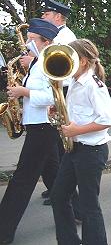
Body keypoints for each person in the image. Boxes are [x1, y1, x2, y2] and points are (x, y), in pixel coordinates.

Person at [50, 39, 111, 245]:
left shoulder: (94, 85)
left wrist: (76, 130)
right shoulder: (75, 83)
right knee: (58, 196)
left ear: (84, 61)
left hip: (91, 151)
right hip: (76, 150)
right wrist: (57, 111)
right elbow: (80, 114)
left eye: (72, 57)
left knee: (89, 207)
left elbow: (107, 120)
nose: (67, 61)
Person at [0, 18, 60, 244]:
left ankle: (3, 232)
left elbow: (56, 97)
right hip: (38, 125)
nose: (27, 42)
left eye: (32, 39)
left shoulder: (51, 62)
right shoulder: (37, 61)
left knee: (22, 180)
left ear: (45, 41)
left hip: (44, 126)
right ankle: (77, 211)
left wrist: (23, 91)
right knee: (55, 174)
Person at [40, 0, 78, 204]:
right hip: (55, 91)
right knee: (55, 144)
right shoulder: (56, 34)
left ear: (57, 16)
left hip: (61, 91)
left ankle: (64, 190)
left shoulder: (64, 36)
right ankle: (57, 186)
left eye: (46, 14)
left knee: (61, 143)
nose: (42, 17)